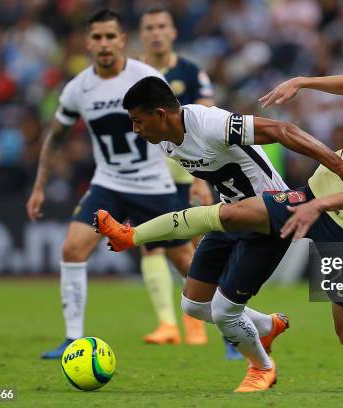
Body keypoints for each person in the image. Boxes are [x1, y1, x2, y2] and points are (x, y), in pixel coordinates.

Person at [95, 41, 343, 392]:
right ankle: (132, 237)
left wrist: (318, 205)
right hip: (312, 196)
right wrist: (302, 81)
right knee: (232, 216)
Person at [96, 75, 343, 391]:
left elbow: (284, 131)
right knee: (194, 306)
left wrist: (339, 166)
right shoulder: (168, 143)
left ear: (160, 114)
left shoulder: (212, 123)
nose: (136, 130)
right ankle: (266, 326)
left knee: (225, 311)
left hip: (269, 217)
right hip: (231, 215)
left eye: (138, 121)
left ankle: (262, 369)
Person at [26, 9, 198, 359]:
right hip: (109, 184)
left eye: (110, 36)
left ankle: (233, 327)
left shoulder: (146, 78)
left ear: (122, 40)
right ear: (87, 42)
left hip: (153, 184)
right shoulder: (78, 88)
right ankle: (73, 339)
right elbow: (55, 135)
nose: (104, 44)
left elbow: (179, 125)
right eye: (97, 37)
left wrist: (198, 174)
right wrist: (40, 186)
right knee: (72, 249)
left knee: (187, 261)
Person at [137, 6, 219, 350]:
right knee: (151, 246)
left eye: (162, 26)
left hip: (187, 173)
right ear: (142, 34)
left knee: (196, 249)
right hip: (146, 175)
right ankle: (168, 324)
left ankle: (202, 322)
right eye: (150, 27)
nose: (156, 32)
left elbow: (207, 120)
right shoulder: (133, 75)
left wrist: (201, 178)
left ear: (172, 32)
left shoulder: (191, 72)